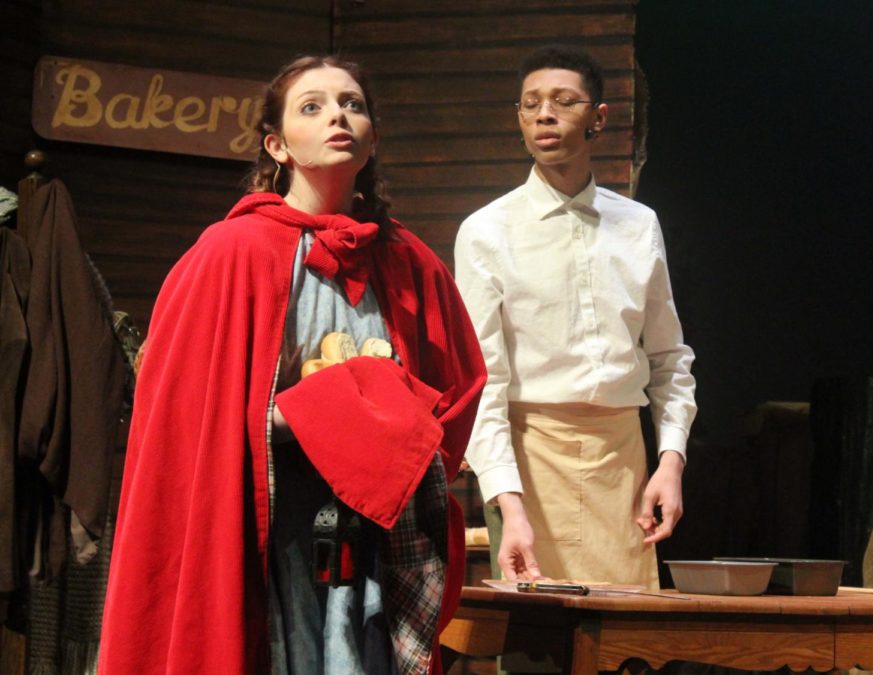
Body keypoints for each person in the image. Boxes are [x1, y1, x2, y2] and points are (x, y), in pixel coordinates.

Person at [98, 55, 486, 675]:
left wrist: (390, 431)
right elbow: (184, 415)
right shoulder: (230, 253)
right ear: (277, 145)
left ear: (373, 138)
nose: (338, 114)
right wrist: (321, 415)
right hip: (266, 520)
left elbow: (457, 389)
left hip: (376, 530)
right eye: (313, 106)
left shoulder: (412, 263)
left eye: (352, 104)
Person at [454, 45, 696, 588]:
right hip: (531, 457)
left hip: (623, 461)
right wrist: (507, 503)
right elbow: (483, 380)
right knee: (535, 649)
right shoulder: (487, 231)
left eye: (564, 102)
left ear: (599, 118)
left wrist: (671, 461)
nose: (545, 114)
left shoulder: (638, 224)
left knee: (624, 648)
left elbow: (668, 358)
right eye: (531, 104)